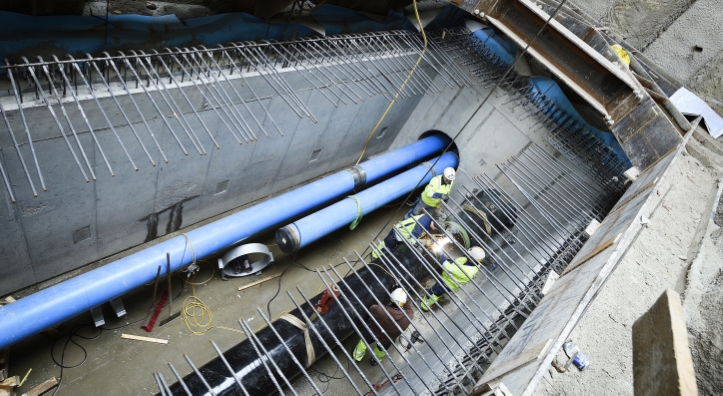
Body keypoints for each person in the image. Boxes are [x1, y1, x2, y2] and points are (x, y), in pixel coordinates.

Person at [352, 288, 414, 366]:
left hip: (373, 332)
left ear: (391, 299)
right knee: (381, 350)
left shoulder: (379, 310)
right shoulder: (408, 317)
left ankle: (356, 358)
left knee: (363, 343)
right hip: (387, 339)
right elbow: (409, 308)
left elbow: (371, 309)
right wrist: (403, 297)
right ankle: (375, 360)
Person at [420, 246, 485, 311]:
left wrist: (441, 254)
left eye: (469, 254)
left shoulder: (467, 271)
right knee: (439, 293)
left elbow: (447, 266)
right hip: (447, 280)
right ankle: (435, 296)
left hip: (447, 284)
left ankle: (425, 305)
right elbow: (456, 262)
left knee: (433, 292)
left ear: (472, 258)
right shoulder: (473, 262)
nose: (467, 254)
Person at [372, 214, 437, 258]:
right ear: (433, 222)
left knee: (391, 246)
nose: (434, 229)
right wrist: (424, 242)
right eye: (435, 228)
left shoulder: (427, 219)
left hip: (403, 234)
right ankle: (374, 255)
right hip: (398, 233)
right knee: (387, 245)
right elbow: (412, 240)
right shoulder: (421, 225)